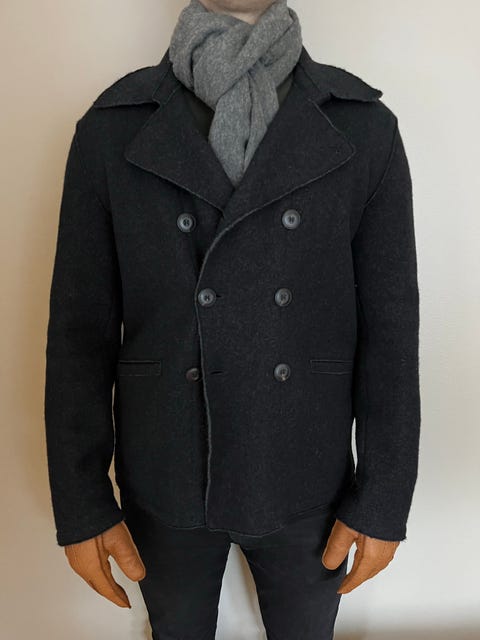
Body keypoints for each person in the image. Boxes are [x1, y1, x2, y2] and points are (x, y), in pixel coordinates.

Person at [43, 0, 421, 637]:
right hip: (164, 475)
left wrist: (383, 499)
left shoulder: (363, 127)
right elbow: (79, 336)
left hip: (309, 477)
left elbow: (391, 333)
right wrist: (82, 504)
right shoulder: (112, 127)